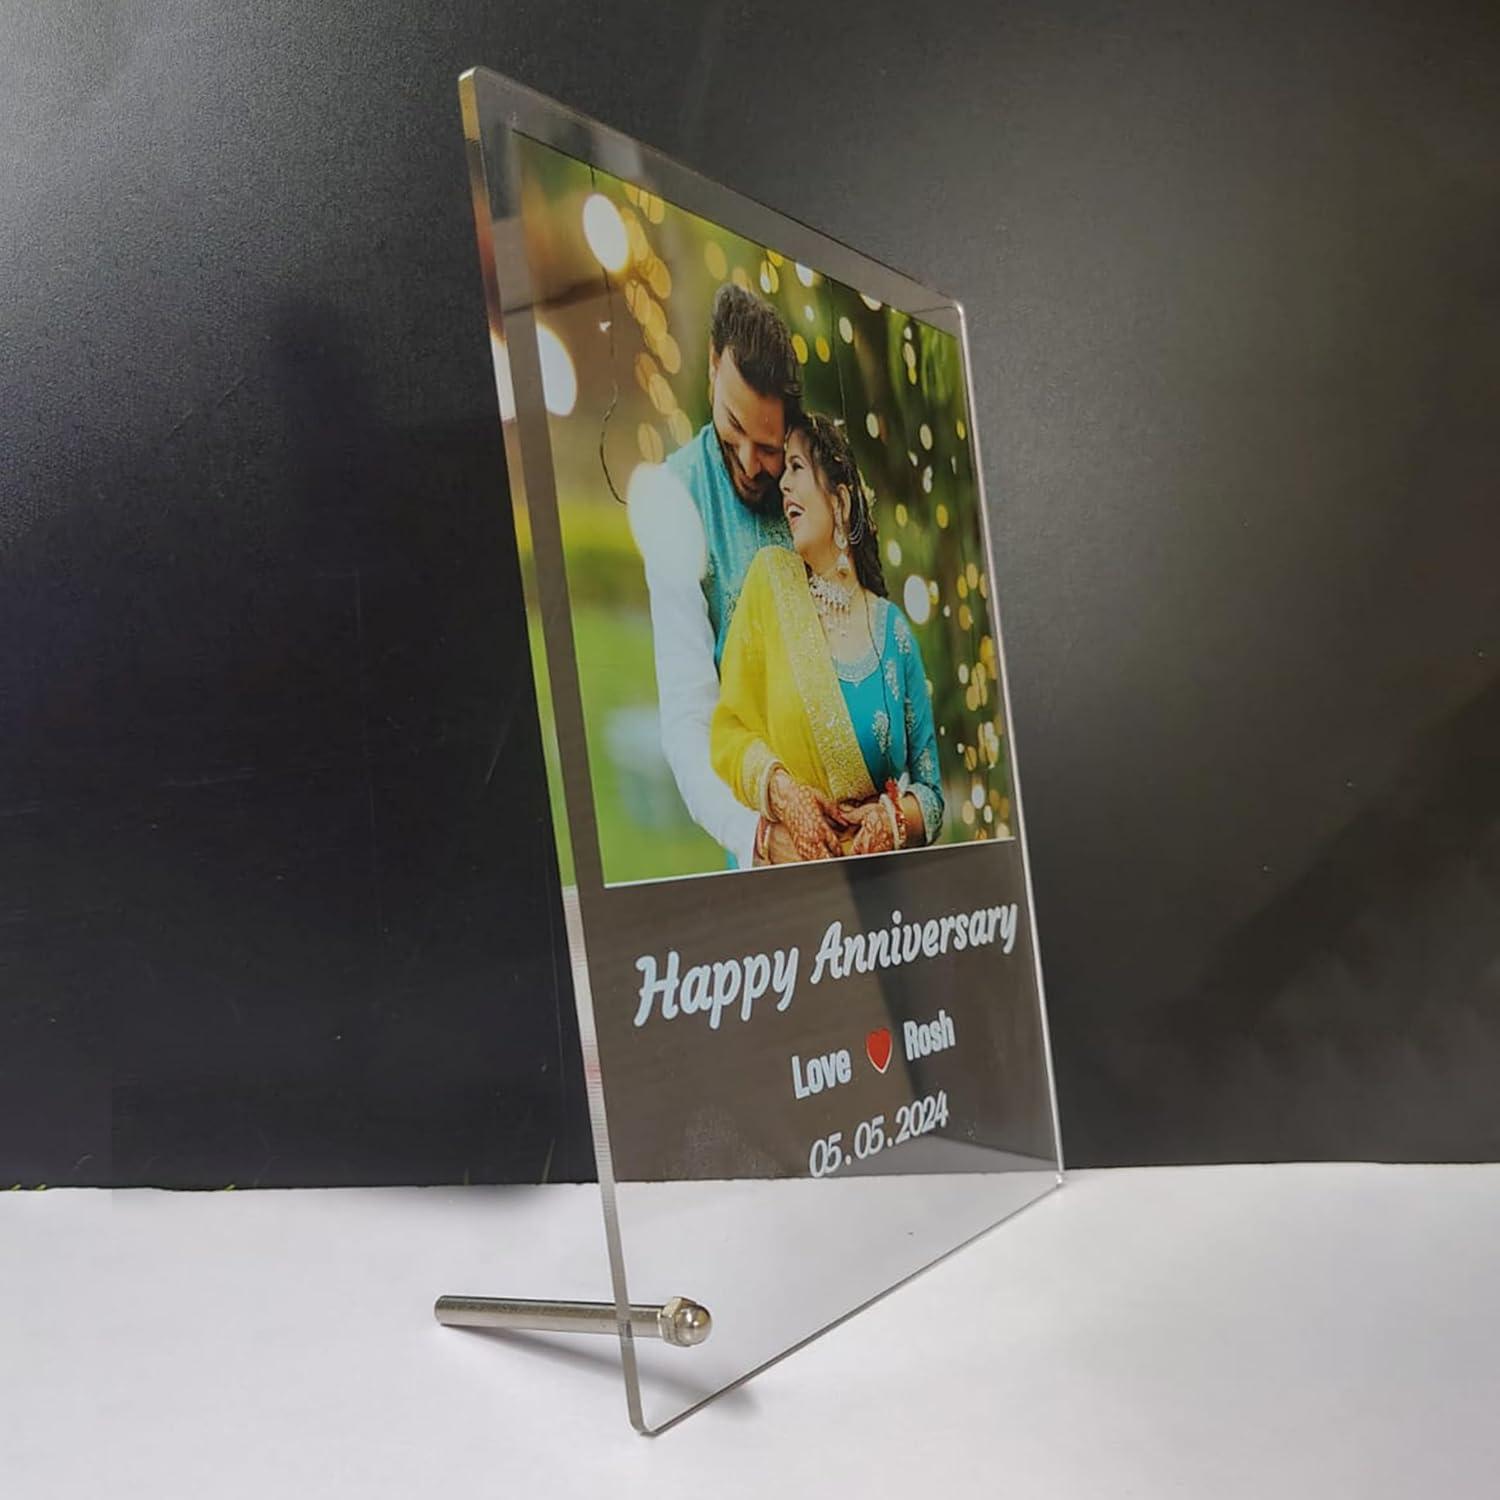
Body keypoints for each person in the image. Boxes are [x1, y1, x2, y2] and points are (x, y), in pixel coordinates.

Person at [634, 283, 835, 867]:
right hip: (765, 831)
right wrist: (760, 838)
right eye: (732, 428)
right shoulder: (676, 500)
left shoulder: (821, 481)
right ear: (712, 368)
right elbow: (689, 719)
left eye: (768, 447)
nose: (749, 463)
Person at [710, 412, 944, 860]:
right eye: (784, 472)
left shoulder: (894, 633)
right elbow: (729, 732)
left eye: (797, 467)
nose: (783, 485)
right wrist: (785, 795)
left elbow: (931, 793)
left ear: (841, 501)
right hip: (790, 874)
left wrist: (893, 822)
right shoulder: (770, 585)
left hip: (878, 887)